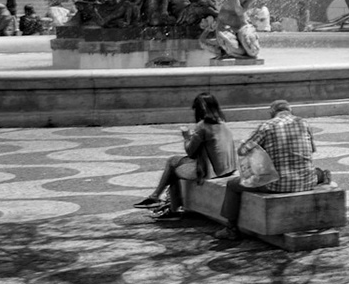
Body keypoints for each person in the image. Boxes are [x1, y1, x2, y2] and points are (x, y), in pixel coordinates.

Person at [218, 100, 328, 241]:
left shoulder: (266, 126)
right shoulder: (303, 123)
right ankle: (324, 177)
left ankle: (231, 229)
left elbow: (243, 150)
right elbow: (312, 150)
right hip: (307, 182)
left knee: (232, 185)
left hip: (276, 185)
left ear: (271, 113)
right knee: (318, 171)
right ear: (290, 111)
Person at [136, 92, 236, 216]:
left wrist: (186, 136)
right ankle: (159, 199)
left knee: (173, 168)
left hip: (210, 171)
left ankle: (168, 207)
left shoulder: (203, 126)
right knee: (173, 160)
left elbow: (191, 152)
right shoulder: (222, 123)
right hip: (227, 168)